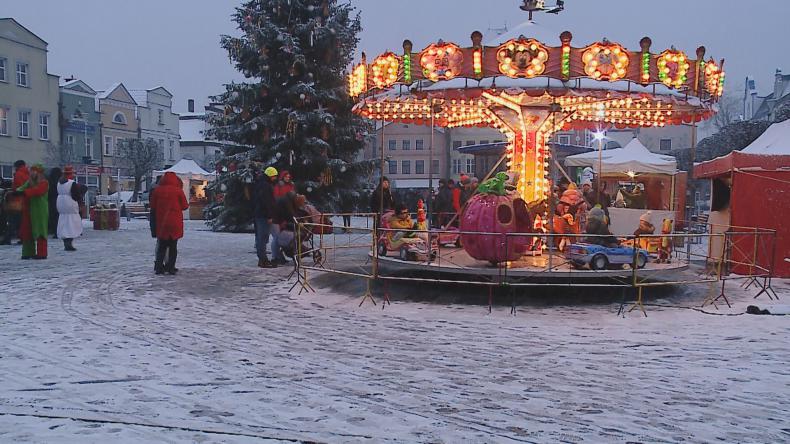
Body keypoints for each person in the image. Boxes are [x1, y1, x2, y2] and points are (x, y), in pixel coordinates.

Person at [149, 171, 189, 275]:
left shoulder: (157, 191)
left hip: (162, 222)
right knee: (173, 247)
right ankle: (171, 267)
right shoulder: (178, 190)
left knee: (161, 246)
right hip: (175, 223)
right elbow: (185, 206)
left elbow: (152, 206)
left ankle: (159, 267)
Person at [17, 164, 49, 259]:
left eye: (34, 171)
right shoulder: (29, 182)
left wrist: (24, 192)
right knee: (27, 231)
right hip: (29, 209)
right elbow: (21, 188)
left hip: (40, 210)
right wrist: (16, 191)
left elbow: (38, 191)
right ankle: (27, 252)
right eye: (31, 171)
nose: (31, 173)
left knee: (40, 231)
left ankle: (42, 253)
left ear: (39, 172)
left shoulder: (44, 182)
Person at [56, 165, 87, 251]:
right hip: (70, 204)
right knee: (71, 224)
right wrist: (80, 199)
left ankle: (66, 241)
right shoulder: (71, 183)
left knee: (64, 223)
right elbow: (75, 195)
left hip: (61, 204)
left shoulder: (59, 183)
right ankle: (69, 242)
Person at [254, 166, 278, 268]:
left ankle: (262, 259)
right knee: (262, 238)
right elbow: (267, 202)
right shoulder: (266, 186)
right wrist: (269, 215)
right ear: (270, 176)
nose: (275, 178)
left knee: (261, 238)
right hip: (263, 215)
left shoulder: (261, 184)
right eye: (274, 176)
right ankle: (263, 260)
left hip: (260, 214)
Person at [1, 160, 29, 245]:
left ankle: (7, 238)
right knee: (22, 221)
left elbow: (18, 188)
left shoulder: (18, 174)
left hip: (16, 201)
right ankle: (24, 238)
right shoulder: (27, 174)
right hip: (25, 201)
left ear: (17, 166)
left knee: (12, 220)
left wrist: (11, 191)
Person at [47, 167, 62, 238]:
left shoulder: (49, 180)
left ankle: (54, 231)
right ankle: (59, 231)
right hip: (60, 200)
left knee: (53, 216)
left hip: (52, 200)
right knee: (59, 217)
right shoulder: (61, 180)